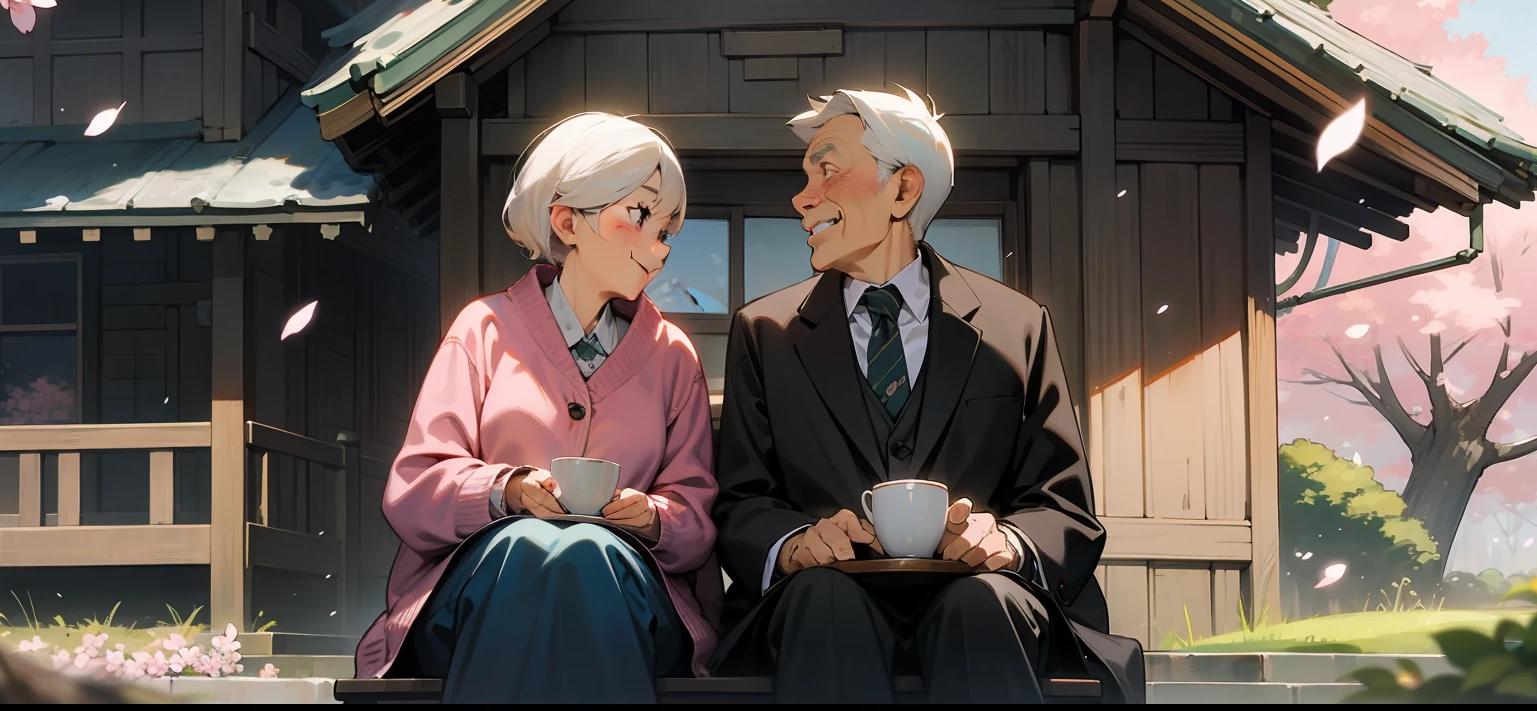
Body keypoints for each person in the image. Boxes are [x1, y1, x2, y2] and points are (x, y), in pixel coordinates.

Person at [712, 88, 1144, 703]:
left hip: (983, 600)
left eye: (827, 169)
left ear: (903, 190)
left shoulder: (1016, 324)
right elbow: (743, 500)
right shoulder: (764, 332)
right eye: (804, 176)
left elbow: (1063, 505)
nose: (802, 197)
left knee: (983, 601)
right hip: (820, 602)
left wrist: (1010, 543)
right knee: (824, 599)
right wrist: (793, 546)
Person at [354, 112, 720, 702]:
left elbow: (696, 515)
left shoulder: (673, 355)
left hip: (629, 594)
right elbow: (415, 485)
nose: (662, 245)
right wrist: (506, 491)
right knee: (525, 545)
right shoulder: (484, 328)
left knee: (590, 550)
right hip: (480, 585)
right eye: (642, 214)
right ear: (567, 220)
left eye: (670, 227)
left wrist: (650, 517)